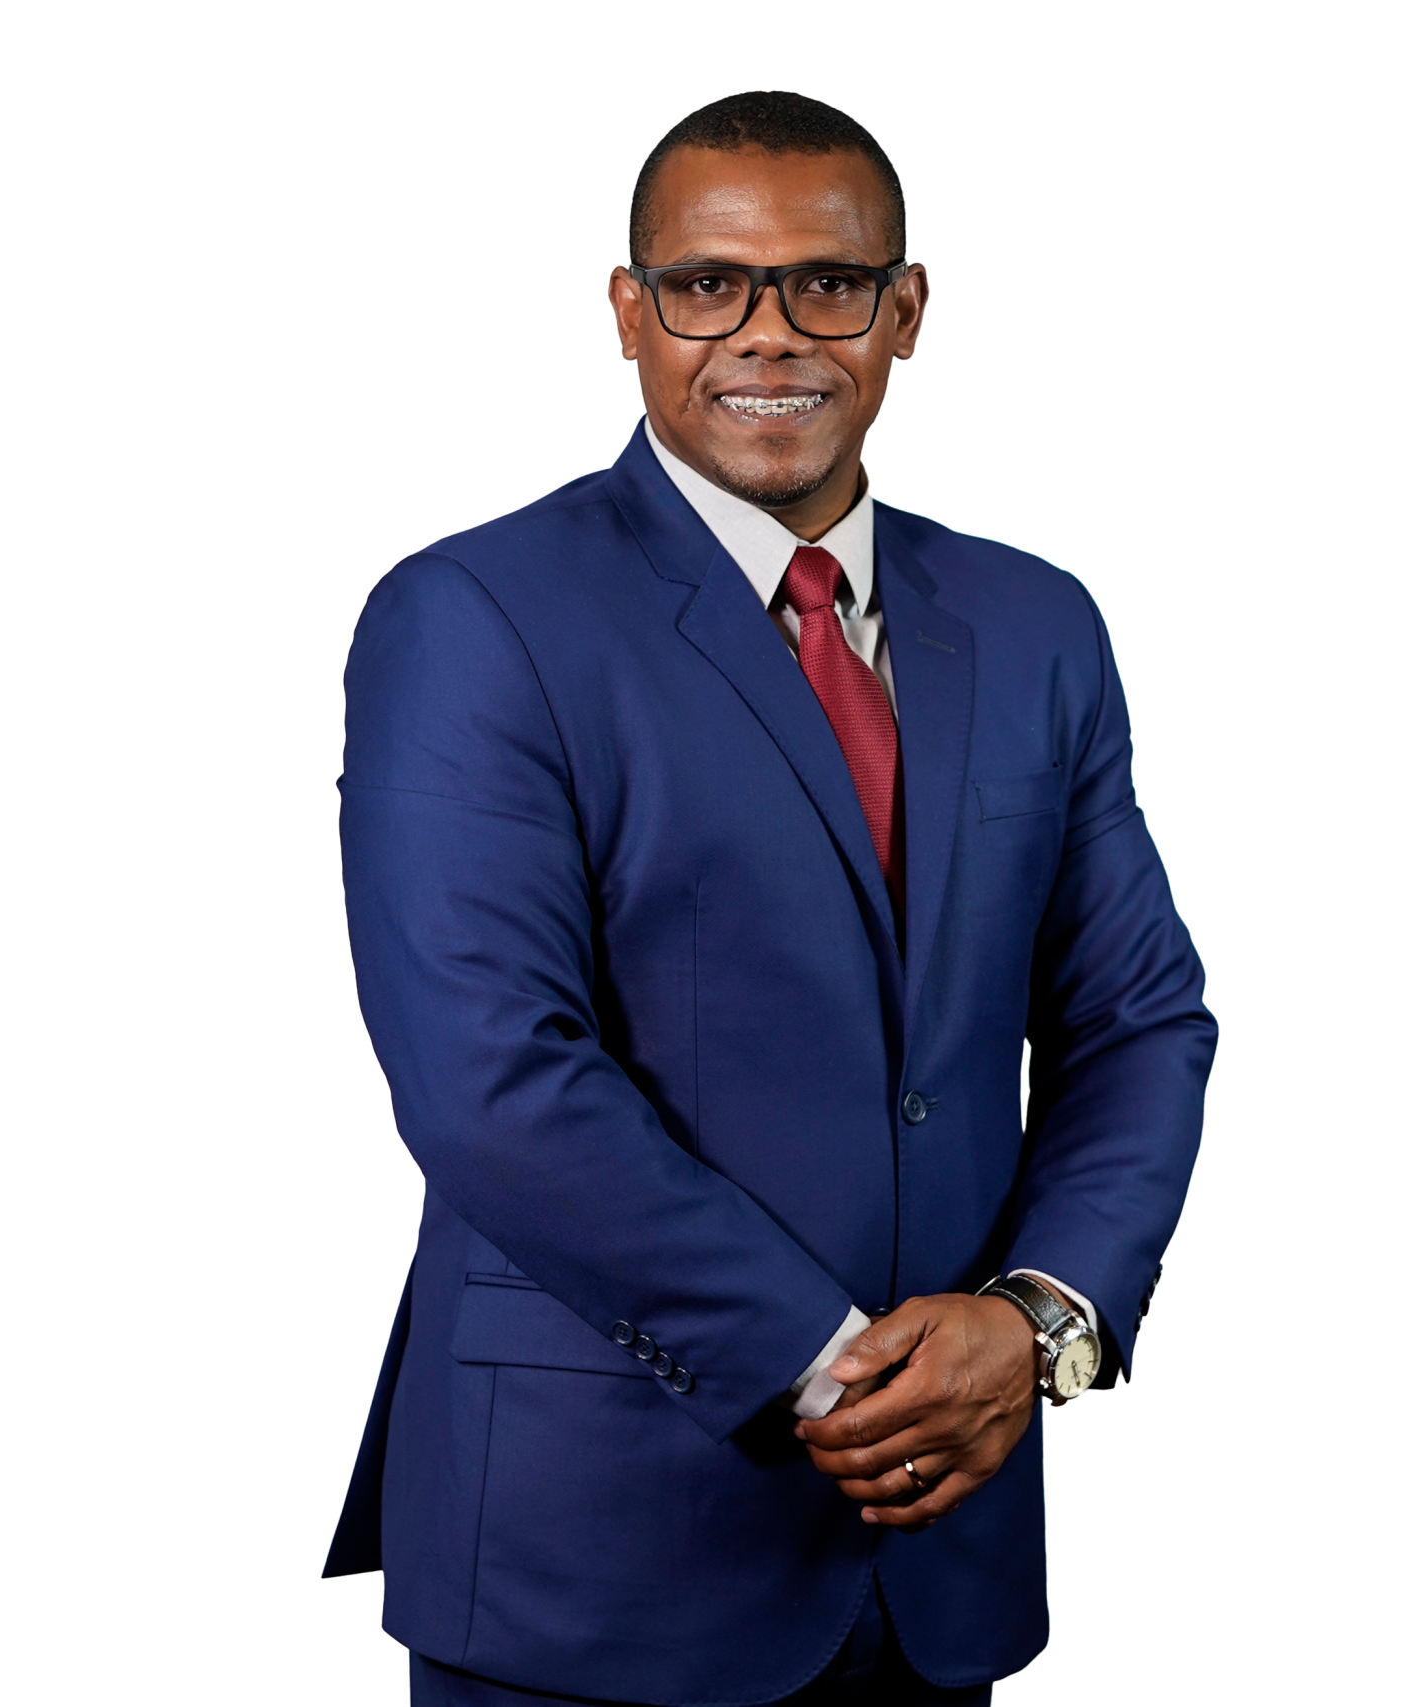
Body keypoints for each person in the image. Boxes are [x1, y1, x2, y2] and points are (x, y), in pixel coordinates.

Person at [324, 90, 1216, 1707]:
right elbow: (487, 1074)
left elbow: (1134, 1016)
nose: (768, 332)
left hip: (943, 1543)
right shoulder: (473, 615)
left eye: (828, 282)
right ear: (628, 311)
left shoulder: (1034, 623)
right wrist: (836, 1370)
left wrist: (1031, 1321)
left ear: (904, 308)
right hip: (591, 1545)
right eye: (706, 284)